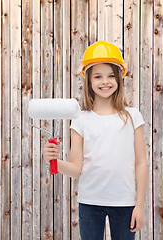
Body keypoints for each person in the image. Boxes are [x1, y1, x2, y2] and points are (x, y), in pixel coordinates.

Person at [43, 40, 147, 240]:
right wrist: (53, 161)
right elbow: (76, 168)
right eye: (98, 76)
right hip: (90, 202)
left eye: (110, 76)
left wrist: (139, 206)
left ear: (119, 79)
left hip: (125, 203)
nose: (105, 81)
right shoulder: (81, 119)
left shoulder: (132, 116)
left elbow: (141, 163)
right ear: (89, 81)